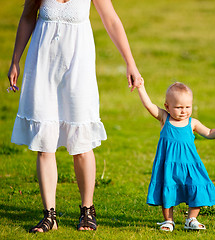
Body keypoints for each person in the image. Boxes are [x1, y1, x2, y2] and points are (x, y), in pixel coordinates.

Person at [7, 0, 142, 233]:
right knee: (44, 143)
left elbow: (111, 20)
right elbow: (28, 17)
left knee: (81, 141)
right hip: (42, 66)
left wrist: (130, 63)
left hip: (78, 68)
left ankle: (87, 211)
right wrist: (15, 60)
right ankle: (49, 216)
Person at [136, 80, 215, 232]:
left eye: (187, 107)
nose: (183, 111)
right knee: (168, 190)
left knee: (196, 186)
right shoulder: (165, 118)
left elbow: (209, 132)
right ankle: (168, 221)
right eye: (178, 107)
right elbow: (149, 105)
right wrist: (141, 87)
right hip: (169, 165)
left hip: (190, 164)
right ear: (167, 106)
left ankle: (191, 218)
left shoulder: (192, 123)